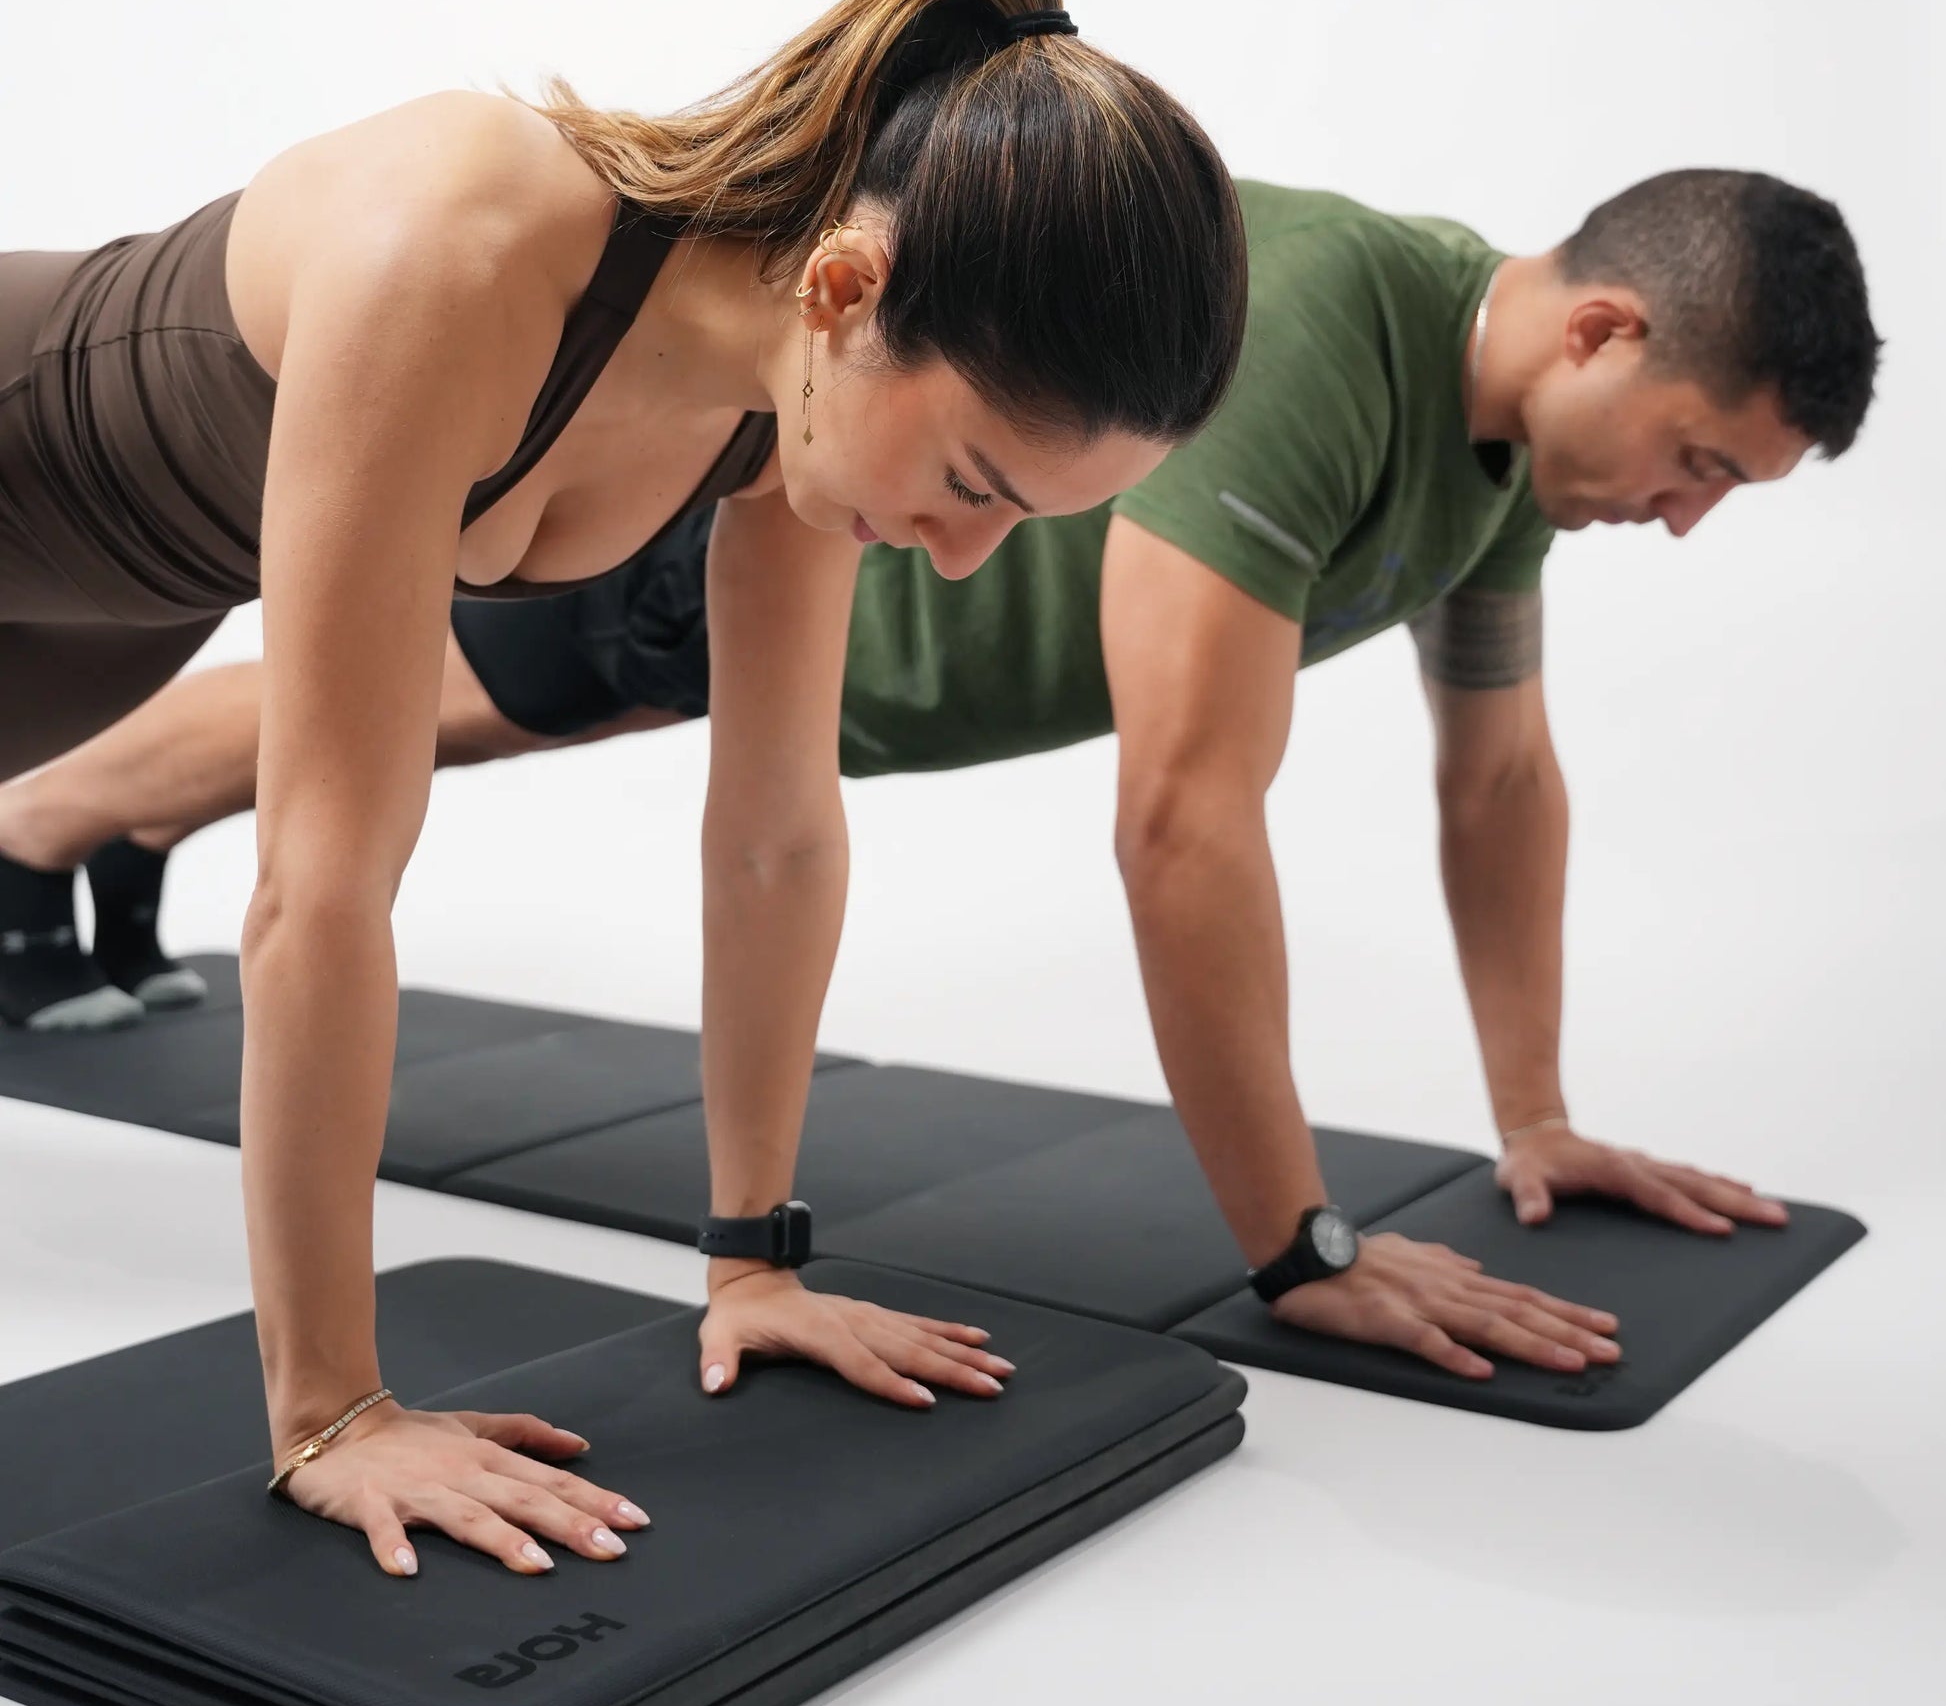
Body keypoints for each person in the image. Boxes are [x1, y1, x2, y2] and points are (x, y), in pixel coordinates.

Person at [5, 168, 1880, 1383]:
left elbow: (1498, 785)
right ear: (1604, 332)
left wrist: (1532, 1119)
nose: (1686, 515)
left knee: (430, 701)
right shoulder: (1334, 331)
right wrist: (1297, 1245)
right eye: (1701, 460)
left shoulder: (1503, 487)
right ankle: (48, 819)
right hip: (792, 520)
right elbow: (1182, 815)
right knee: (417, 703)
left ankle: (69, 812)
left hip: (866, 607)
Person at [0, 0, 1249, 1571]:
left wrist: (756, 1266)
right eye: (974, 484)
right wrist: (335, 1413)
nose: (957, 559)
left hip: (106, 609)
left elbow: (776, 834)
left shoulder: (782, 426)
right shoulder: (466, 235)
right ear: (845, 290)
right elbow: (322, 888)